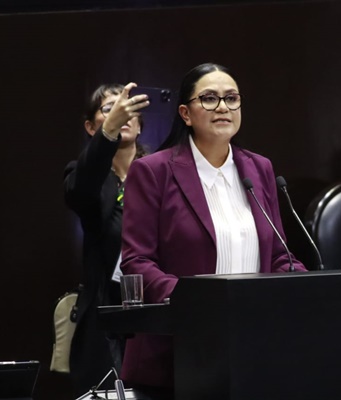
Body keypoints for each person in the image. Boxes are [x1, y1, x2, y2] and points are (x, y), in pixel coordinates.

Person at [120, 63, 306, 399]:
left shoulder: (259, 168)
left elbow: (279, 255)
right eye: (209, 98)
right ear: (185, 114)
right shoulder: (153, 171)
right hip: (178, 351)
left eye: (231, 98)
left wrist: (303, 285)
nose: (223, 107)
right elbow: (137, 261)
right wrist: (198, 303)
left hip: (252, 346)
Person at [63, 82, 149, 396]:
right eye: (110, 109)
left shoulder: (158, 173)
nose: (121, 115)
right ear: (91, 127)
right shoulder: (83, 175)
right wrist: (108, 133)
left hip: (155, 312)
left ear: (139, 126)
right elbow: (80, 192)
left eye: (128, 110)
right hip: (104, 317)